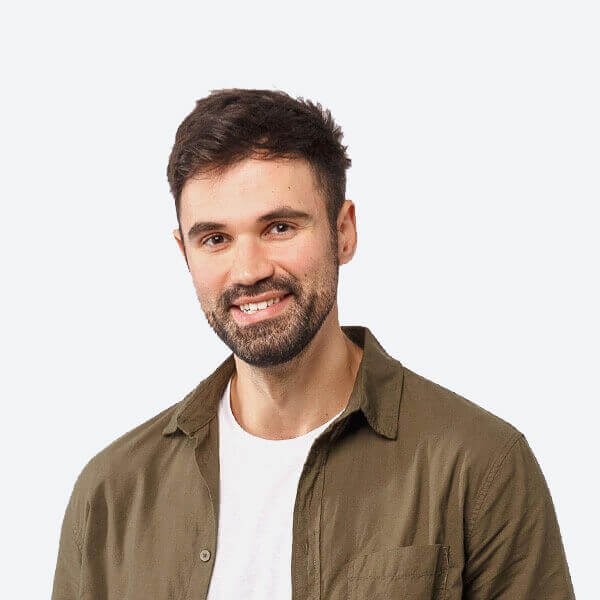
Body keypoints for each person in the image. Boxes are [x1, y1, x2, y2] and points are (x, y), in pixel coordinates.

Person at [51, 88, 576, 600]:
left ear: (343, 232)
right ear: (184, 253)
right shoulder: (110, 495)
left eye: (279, 227)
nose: (249, 270)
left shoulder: (479, 465)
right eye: (215, 239)